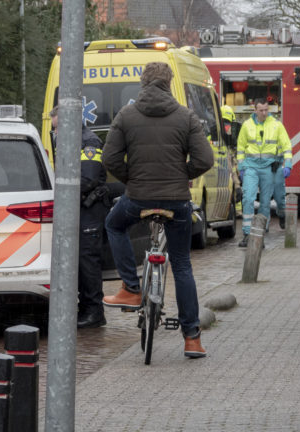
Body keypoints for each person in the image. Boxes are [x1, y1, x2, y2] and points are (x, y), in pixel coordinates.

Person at [101, 61, 213, 358]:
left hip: (137, 198)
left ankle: (130, 286)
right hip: (176, 201)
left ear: (143, 83)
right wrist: (183, 174)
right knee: (182, 265)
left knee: (114, 225)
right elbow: (205, 160)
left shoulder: (126, 115)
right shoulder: (185, 116)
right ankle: (192, 338)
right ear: (169, 83)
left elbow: (109, 158)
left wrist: (131, 179)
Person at [50, 106, 109, 329]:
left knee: (87, 260)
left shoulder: (89, 142)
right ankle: (84, 308)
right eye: (54, 129)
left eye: (58, 128)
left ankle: (95, 311)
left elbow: (88, 178)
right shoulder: (70, 141)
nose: (56, 133)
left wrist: (61, 192)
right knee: (78, 260)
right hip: (77, 208)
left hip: (89, 208)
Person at [236, 101, 292, 246]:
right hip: (251, 167)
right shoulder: (247, 126)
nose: (264, 113)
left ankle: (259, 234)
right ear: (255, 110)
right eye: (261, 110)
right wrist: (241, 167)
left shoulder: (276, 125)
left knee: (265, 202)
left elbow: (286, 145)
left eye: (266, 110)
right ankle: (247, 233)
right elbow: (241, 148)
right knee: (248, 198)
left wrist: (288, 164)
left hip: (268, 167)